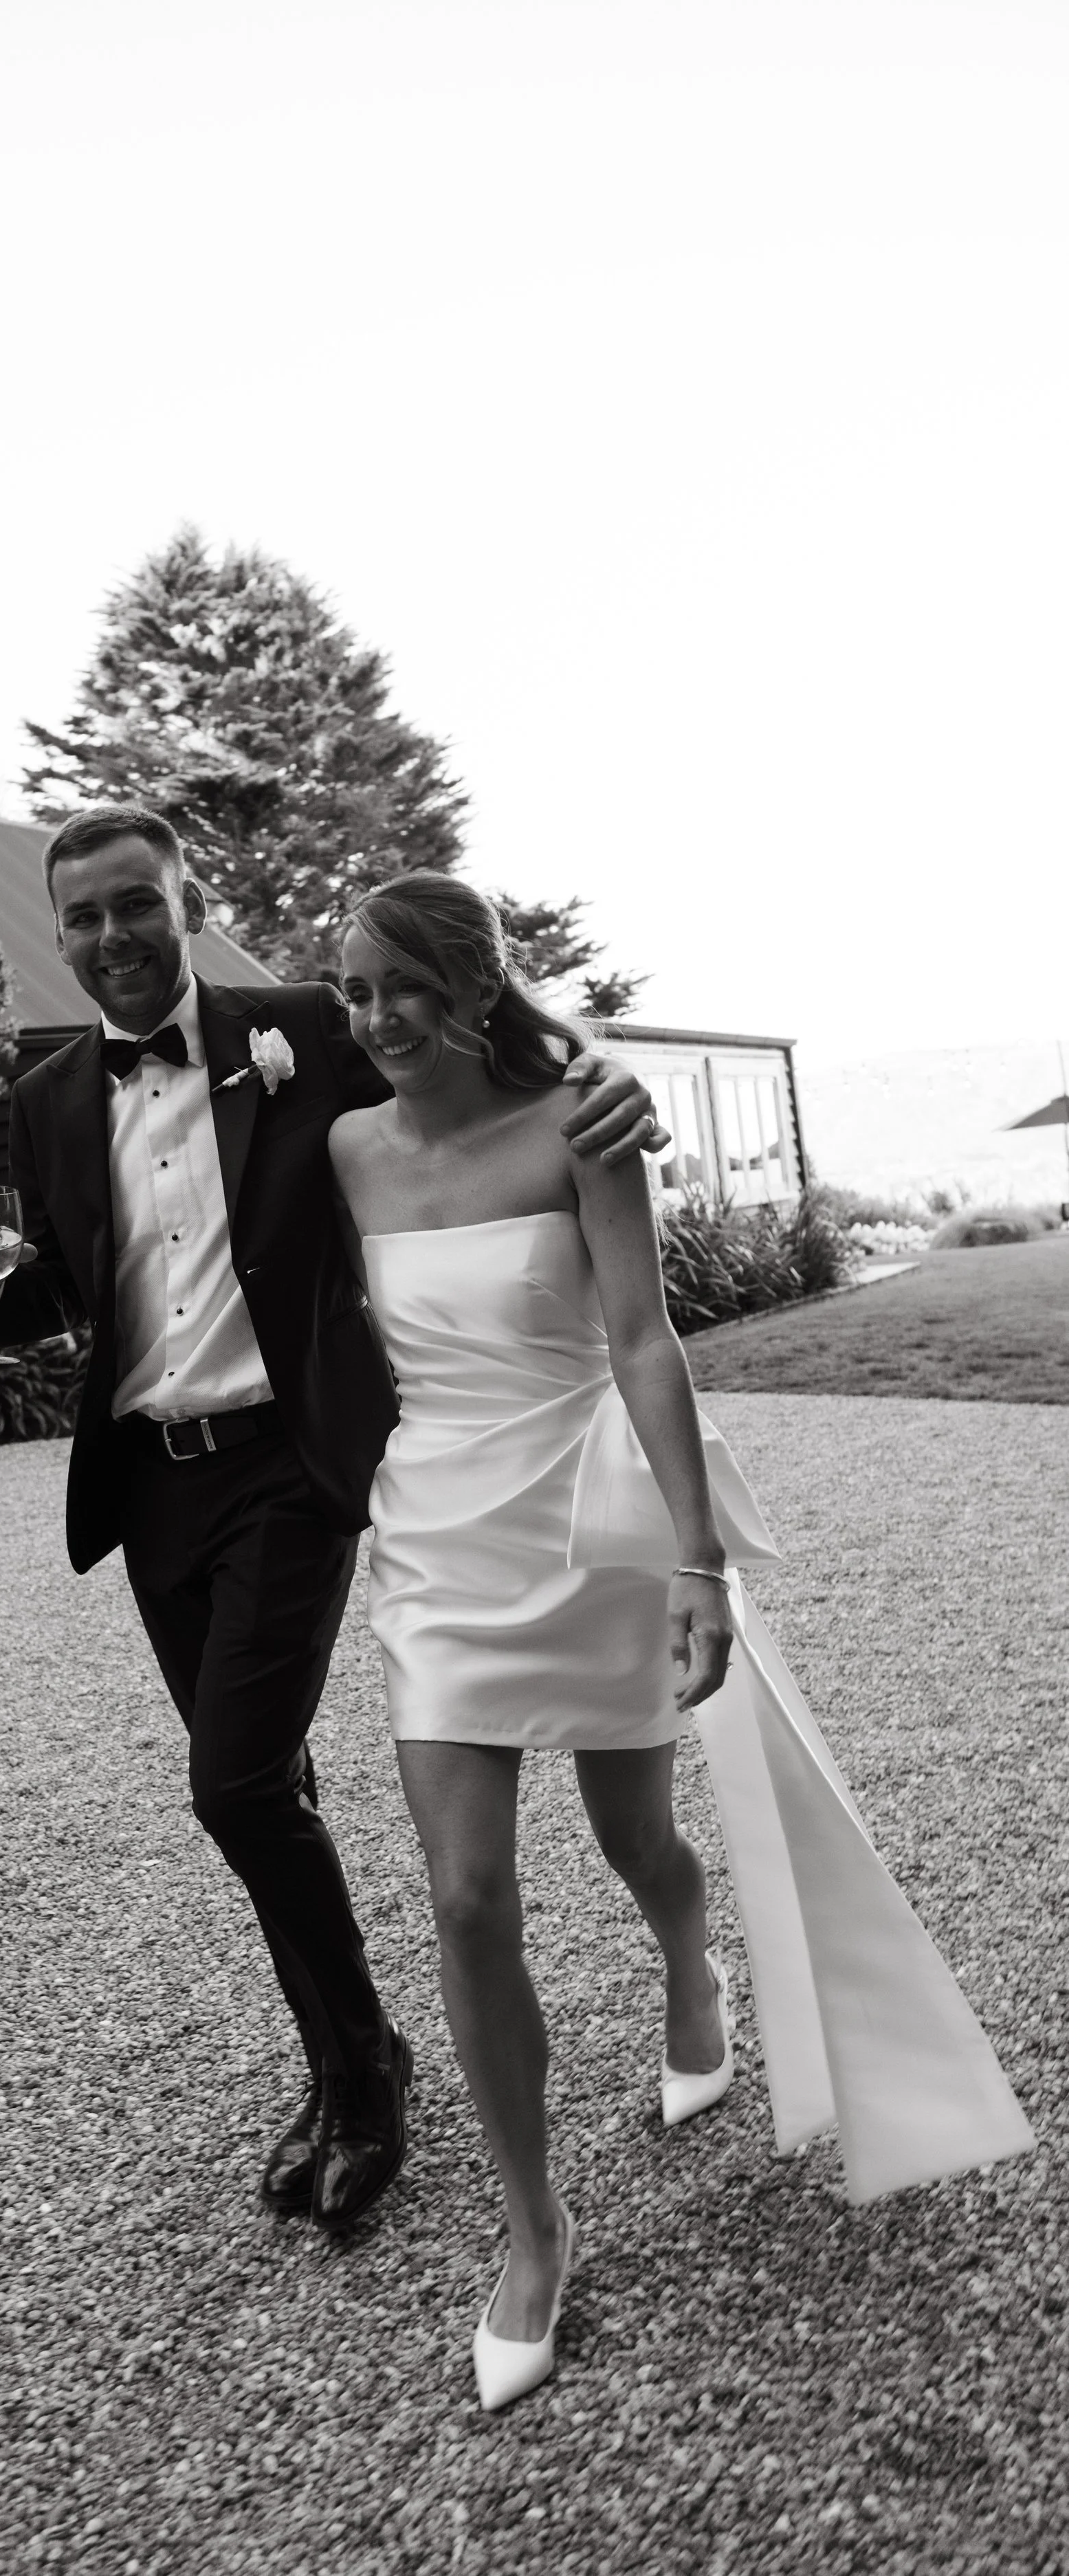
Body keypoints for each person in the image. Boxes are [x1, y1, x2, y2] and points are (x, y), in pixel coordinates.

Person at [328, 868, 1034, 2410]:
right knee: (459, 1896)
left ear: (468, 982)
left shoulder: (579, 1123)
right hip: (435, 1546)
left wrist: (699, 1557)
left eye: (401, 986)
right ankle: (532, 2226)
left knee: (633, 1834)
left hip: (587, 1526)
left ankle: (687, 1962)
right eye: (352, 994)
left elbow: (642, 1339)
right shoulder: (340, 1139)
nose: (375, 1018)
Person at [0, 807, 665, 2234]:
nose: (110, 937)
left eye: (134, 903)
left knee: (229, 1781)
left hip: (289, 1463)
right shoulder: (41, 1095)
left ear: (185, 899)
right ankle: (347, 2058)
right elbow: (63, 1287)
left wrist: (609, 1073)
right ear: (58, 930)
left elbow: (475, 1045)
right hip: (152, 1481)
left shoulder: (308, 1029)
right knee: (261, 1786)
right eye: (80, 916)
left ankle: (363, 2069)